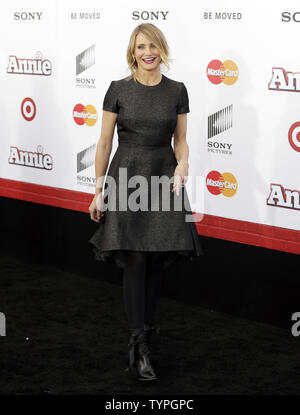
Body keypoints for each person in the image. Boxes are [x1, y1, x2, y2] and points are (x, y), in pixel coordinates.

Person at [88, 23, 203, 381]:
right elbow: (105, 143)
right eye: (140, 47)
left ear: (161, 49)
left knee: (154, 258)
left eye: (152, 45)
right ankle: (138, 345)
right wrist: (98, 189)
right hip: (127, 175)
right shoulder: (118, 90)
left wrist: (183, 164)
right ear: (132, 52)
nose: (147, 52)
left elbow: (181, 140)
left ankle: (146, 334)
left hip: (163, 175)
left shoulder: (177, 90)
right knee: (135, 257)